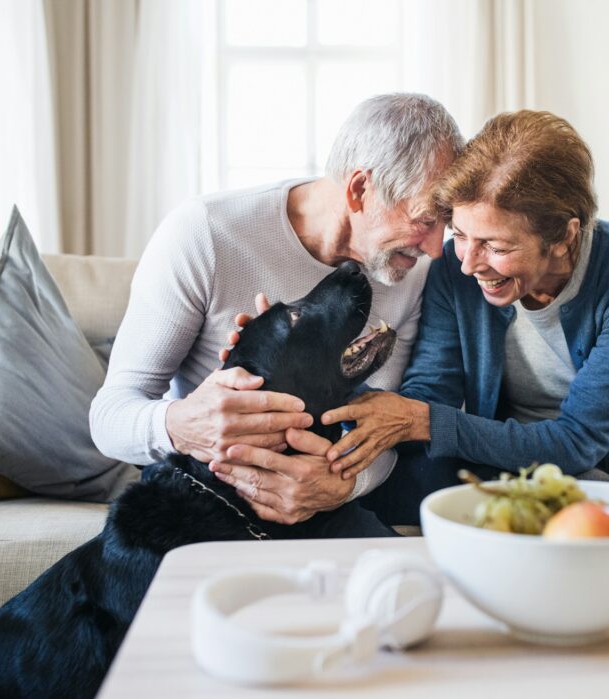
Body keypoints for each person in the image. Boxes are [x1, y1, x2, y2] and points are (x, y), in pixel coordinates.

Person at [313, 110, 609, 523]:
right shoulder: (451, 271)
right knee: (576, 515)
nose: (468, 264)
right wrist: (340, 392)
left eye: (496, 246)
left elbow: (579, 439)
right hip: (525, 453)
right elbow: (430, 394)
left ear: (564, 237)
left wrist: (423, 420)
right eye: (460, 234)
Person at [89, 93, 464, 536]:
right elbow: (109, 418)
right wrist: (183, 424)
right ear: (360, 189)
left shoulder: (412, 271)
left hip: (324, 501)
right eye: (424, 220)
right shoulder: (206, 233)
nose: (436, 248)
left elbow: (378, 429)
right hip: (204, 495)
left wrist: (341, 486)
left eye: (447, 222)